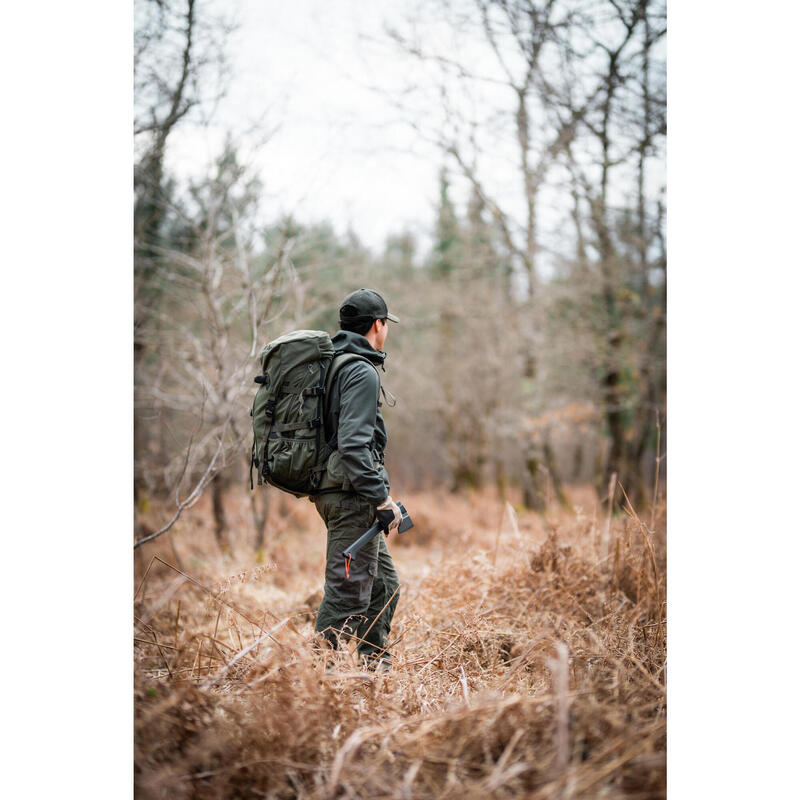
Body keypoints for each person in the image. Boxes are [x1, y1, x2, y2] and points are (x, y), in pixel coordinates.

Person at [312, 288, 403, 670]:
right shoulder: (361, 371)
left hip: (340, 491)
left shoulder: (335, 363)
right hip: (351, 497)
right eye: (386, 324)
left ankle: (372, 668)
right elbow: (353, 446)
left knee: (383, 585)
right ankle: (317, 680)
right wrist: (381, 498)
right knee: (347, 594)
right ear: (378, 325)